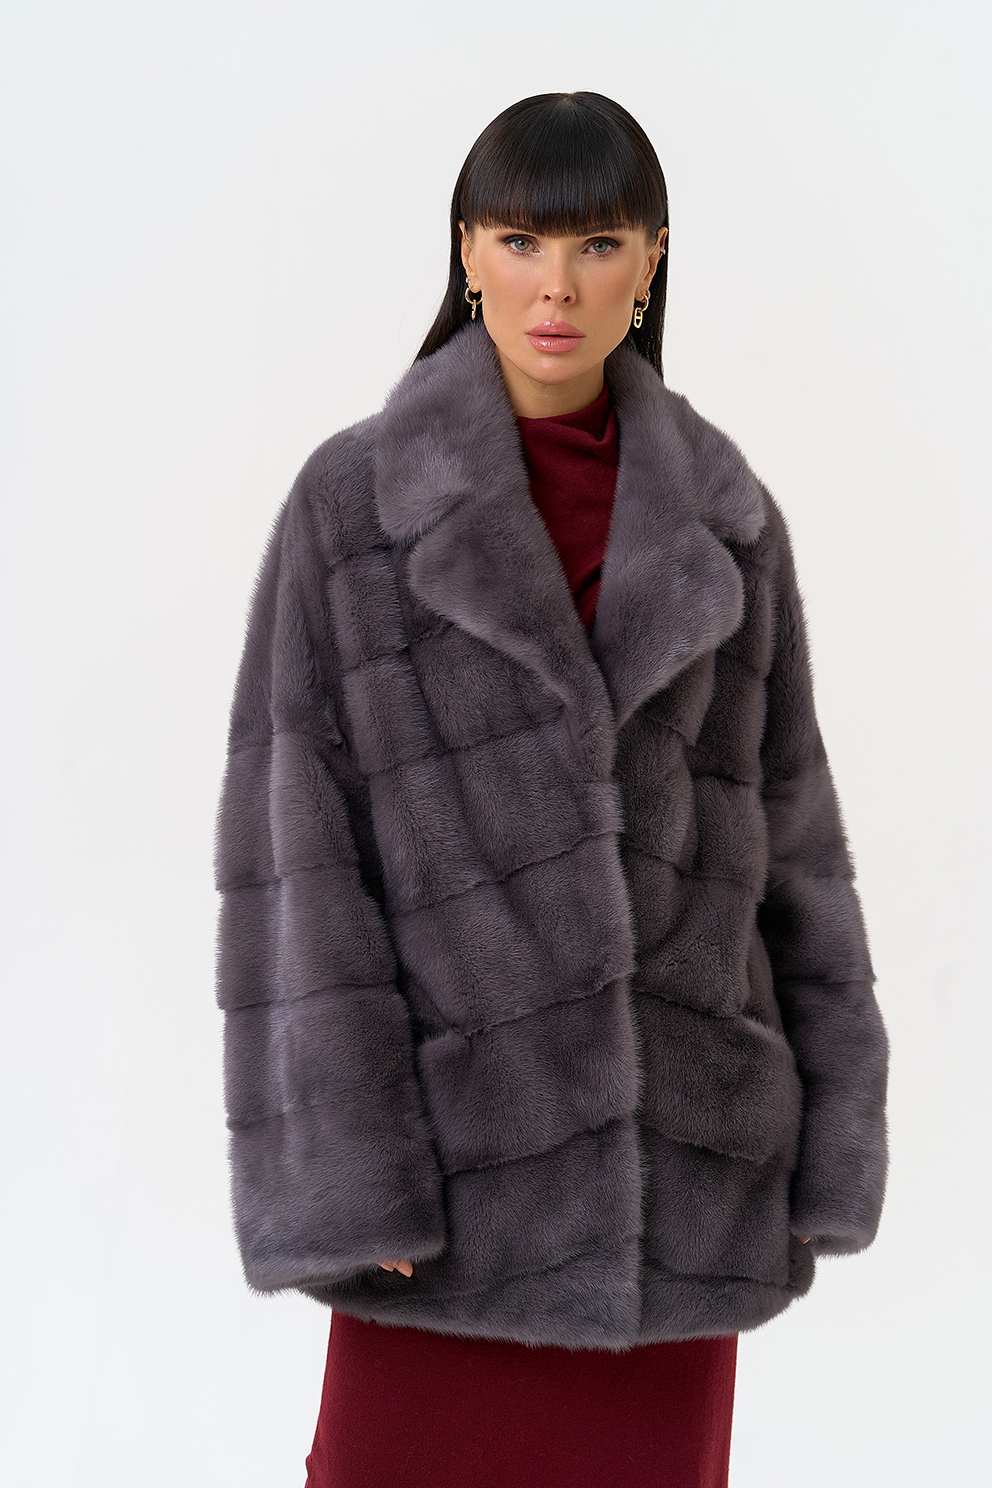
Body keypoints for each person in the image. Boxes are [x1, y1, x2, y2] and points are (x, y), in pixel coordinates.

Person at [213, 91, 889, 1488]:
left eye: (599, 243)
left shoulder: (728, 520)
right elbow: (300, 859)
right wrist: (354, 1178)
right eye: (522, 240)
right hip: (453, 1195)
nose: (558, 287)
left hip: (679, 1194)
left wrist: (828, 1148)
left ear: (652, 259)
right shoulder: (355, 509)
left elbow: (796, 842)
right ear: (468, 251)